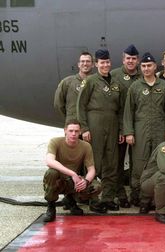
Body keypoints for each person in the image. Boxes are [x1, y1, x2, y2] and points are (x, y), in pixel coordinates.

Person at [123, 52, 165, 206]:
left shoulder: (163, 86)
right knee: (139, 162)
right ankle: (138, 195)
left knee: (159, 163)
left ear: (155, 67)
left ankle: (155, 196)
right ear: (141, 68)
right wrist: (129, 132)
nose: (146, 69)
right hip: (140, 130)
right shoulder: (135, 87)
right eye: (144, 66)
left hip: (159, 129)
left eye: (149, 66)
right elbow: (128, 111)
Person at [77, 49, 124, 212]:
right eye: (102, 62)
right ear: (96, 64)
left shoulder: (116, 83)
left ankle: (108, 198)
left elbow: (120, 109)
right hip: (95, 122)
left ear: (110, 63)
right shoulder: (90, 81)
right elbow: (81, 105)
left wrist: (120, 130)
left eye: (107, 62)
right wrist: (84, 128)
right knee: (93, 162)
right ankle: (92, 198)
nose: (105, 65)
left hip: (112, 123)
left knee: (111, 162)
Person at [42, 119, 105, 222]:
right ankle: (51, 206)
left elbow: (91, 170)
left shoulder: (85, 146)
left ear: (80, 132)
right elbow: (49, 161)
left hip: (73, 182)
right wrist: (72, 174)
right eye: (71, 131)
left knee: (96, 187)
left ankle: (70, 200)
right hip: (58, 181)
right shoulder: (55, 142)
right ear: (65, 131)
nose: (73, 134)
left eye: (76, 131)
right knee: (51, 173)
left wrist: (86, 181)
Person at [111, 44, 141, 208]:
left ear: (138, 60)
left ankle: (136, 193)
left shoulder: (143, 75)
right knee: (118, 161)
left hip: (139, 126)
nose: (130, 61)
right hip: (121, 128)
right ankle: (120, 193)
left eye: (133, 59)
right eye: (128, 58)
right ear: (123, 59)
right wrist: (121, 129)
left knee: (138, 162)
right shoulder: (114, 76)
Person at [54, 52, 94, 124]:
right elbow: (58, 104)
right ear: (78, 65)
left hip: (92, 125)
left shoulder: (97, 82)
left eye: (88, 61)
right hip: (74, 128)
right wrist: (70, 119)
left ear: (93, 65)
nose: (85, 64)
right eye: (82, 61)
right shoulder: (67, 82)